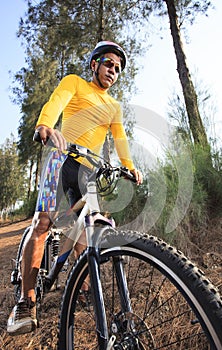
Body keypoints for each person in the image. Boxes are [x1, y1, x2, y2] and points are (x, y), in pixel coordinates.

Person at [7, 40, 143, 336]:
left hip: (88, 170)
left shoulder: (113, 106)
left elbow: (119, 139)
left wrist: (129, 166)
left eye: (118, 68)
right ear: (94, 64)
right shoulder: (76, 83)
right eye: (109, 63)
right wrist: (45, 125)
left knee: (86, 228)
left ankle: (80, 283)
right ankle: (25, 301)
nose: (114, 71)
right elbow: (56, 101)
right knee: (43, 223)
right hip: (60, 159)